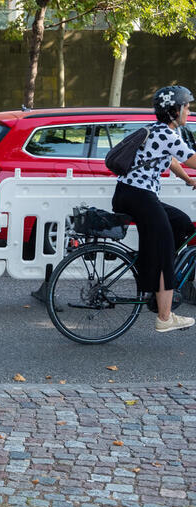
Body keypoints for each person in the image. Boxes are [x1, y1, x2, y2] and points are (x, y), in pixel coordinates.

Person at [112, 85, 196, 333]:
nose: (189, 111)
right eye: (187, 106)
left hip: (133, 194)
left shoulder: (161, 132)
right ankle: (164, 316)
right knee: (164, 247)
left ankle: (158, 280)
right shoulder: (167, 135)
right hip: (139, 196)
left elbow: (170, 159)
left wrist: (188, 179)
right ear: (175, 110)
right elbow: (190, 158)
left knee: (180, 223)